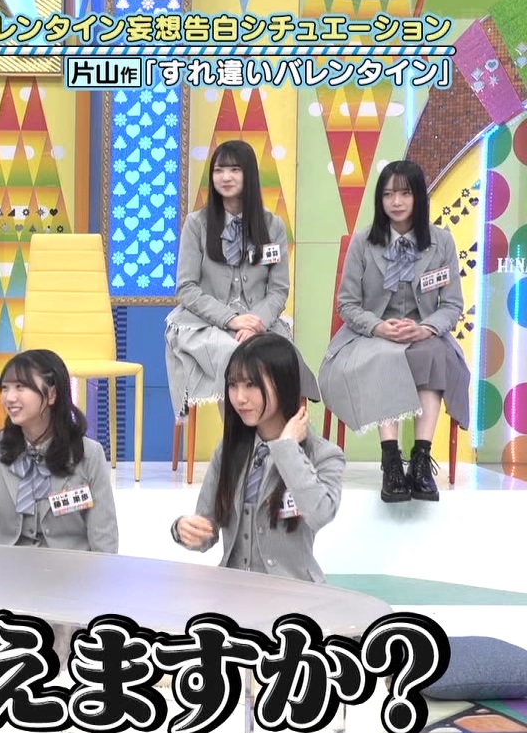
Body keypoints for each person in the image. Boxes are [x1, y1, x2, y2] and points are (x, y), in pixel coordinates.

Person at [318, 160, 469, 503]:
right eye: (388, 195)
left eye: (404, 193)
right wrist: (379, 326)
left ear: (418, 197)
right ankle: (390, 461)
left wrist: (426, 328)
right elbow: (347, 304)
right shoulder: (363, 242)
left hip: (423, 332)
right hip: (370, 334)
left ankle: (420, 459)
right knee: (386, 357)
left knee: (433, 354)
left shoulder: (442, 241)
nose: (396, 202)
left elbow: (451, 305)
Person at [166, 140, 320, 419]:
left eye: (234, 169)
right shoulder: (196, 224)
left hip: (261, 324)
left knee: (280, 358)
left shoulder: (272, 226)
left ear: (249, 174)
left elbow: (278, 290)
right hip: (206, 325)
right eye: (219, 170)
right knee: (235, 355)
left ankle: (275, 437)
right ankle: (238, 439)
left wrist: (255, 322)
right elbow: (186, 288)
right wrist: (231, 320)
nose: (225, 177)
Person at [172, 333, 344, 583]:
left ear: (282, 384)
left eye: (251, 384)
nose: (239, 397)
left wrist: (287, 448)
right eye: (233, 385)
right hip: (234, 592)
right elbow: (206, 529)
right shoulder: (228, 450)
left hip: (295, 595)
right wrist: (183, 529)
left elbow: (320, 513)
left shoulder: (324, 454)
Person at [0, 349, 117, 552]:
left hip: (71, 569)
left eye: (20, 387)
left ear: (51, 394)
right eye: (5, 388)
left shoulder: (89, 454)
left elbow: (104, 541)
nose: (9, 398)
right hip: (9, 567)